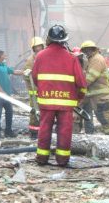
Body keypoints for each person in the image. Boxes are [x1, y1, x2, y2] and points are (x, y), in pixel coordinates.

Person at [32, 25, 87, 167]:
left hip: (46, 100)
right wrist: (77, 99)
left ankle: (42, 158)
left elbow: (35, 78)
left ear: (49, 39)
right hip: (66, 103)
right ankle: (62, 160)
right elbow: (81, 83)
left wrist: (44, 90)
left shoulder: (40, 56)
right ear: (64, 40)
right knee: (64, 130)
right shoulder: (72, 58)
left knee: (44, 128)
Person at [80, 41, 109, 135]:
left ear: (93, 49)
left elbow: (90, 77)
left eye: (88, 50)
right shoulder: (92, 59)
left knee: (103, 114)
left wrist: (79, 86)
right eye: (85, 50)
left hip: (101, 94)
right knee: (101, 114)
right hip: (97, 94)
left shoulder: (96, 59)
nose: (87, 52)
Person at [0, 50, 22, 139]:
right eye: (4, 54)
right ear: (0, 56)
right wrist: (1, 91)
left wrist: (24, 72)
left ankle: (8, 131)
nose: (5, 56)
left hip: (7, 95)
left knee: (9, 112)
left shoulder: (4, 66)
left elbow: (14, 71)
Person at [22, 37, 45, 139]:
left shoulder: (45, 56)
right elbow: (26, 75)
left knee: (44, 112)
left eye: (40, 46)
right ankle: (34, 133)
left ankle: (43, 131)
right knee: (34, 112)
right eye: (36, 47)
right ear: (33, 48)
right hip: (35, 92)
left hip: (44, 91)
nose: (38, 48)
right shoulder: (31, 60)